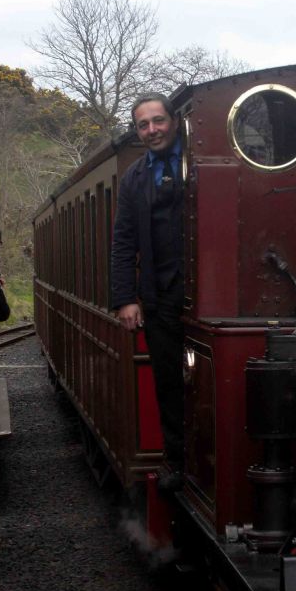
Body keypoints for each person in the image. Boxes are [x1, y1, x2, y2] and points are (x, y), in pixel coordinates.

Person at [111, 93, 185, 492]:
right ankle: (177, 459)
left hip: (209, 290)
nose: (152, 130)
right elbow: (123, 241)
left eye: (158, 121)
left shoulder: (201, 160)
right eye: (144, 125)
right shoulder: (134, 179)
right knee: (168, 383)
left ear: (173, 121)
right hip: (161, 296)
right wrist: (125, 298)